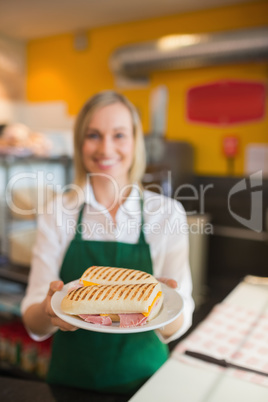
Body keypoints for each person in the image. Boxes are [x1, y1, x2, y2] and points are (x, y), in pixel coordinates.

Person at [21, 90, 194, 395]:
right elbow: (33, 322)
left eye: (119, 135)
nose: (106, 148)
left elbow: (180, 321)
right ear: (79, 143)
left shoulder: (166, 213)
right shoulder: (58, 212)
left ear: (135, 142)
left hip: (146, 383)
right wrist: (50, 310)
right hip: (71, 383)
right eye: (93, 135)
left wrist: (164, 305)